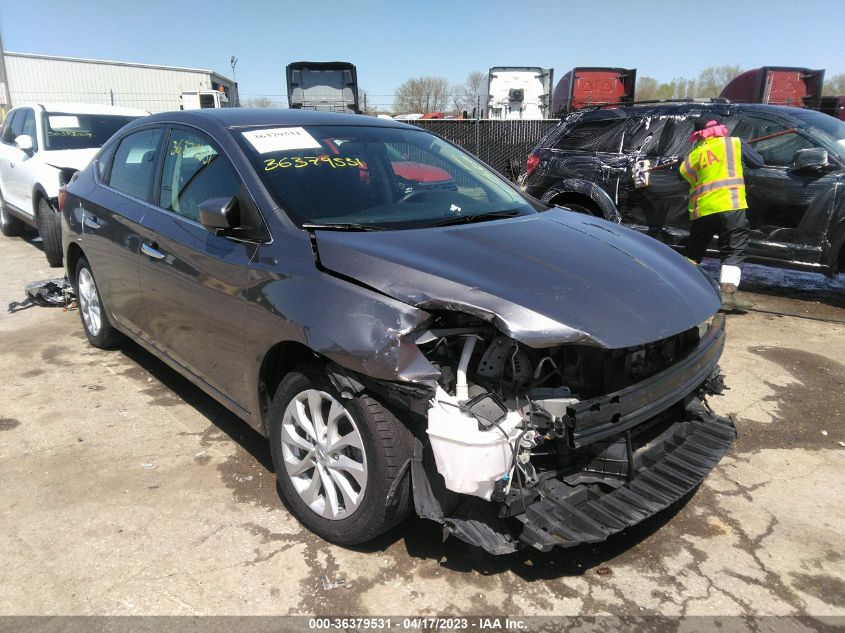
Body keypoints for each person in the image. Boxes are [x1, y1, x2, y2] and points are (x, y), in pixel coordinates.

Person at [679, 116, 763, 311]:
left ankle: (682, 286)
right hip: (730, 205)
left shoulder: (694, 155)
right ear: (720, 130)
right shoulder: (735, 144)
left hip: (703, 209)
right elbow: (759, 163)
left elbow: (683, 174)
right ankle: (727, 294)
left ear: (699, 136)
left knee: (695, 249)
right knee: (734, 248)